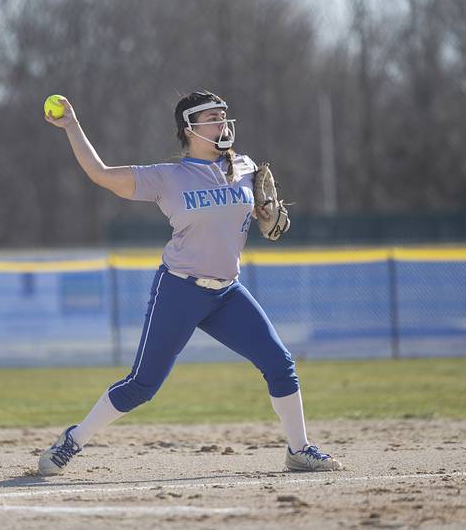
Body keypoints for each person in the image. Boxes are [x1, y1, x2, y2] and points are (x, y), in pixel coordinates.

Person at [38, 91, 342, 476]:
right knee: (142, 386)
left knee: (280, 363)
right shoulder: (168, 176)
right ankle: (73, 440)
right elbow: (99, 173)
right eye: (213, 118)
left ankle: (299, 449)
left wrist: (265, 217)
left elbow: (258, 217)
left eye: (224, 116)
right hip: (180, 290)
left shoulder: (244, 167)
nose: (223, 124)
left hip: (227, 292)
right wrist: (72, 125)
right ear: (189, 128)